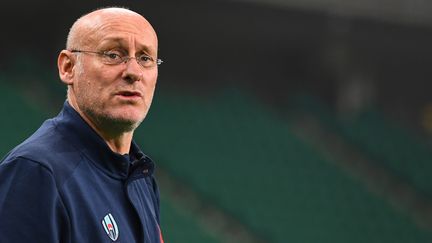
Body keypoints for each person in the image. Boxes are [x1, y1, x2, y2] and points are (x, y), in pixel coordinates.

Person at [0, 7, 164, 243]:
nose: (133, 72)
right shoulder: (35, 172)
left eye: (145, 58)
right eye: (113, 55)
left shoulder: (142, 176)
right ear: (68, 67)